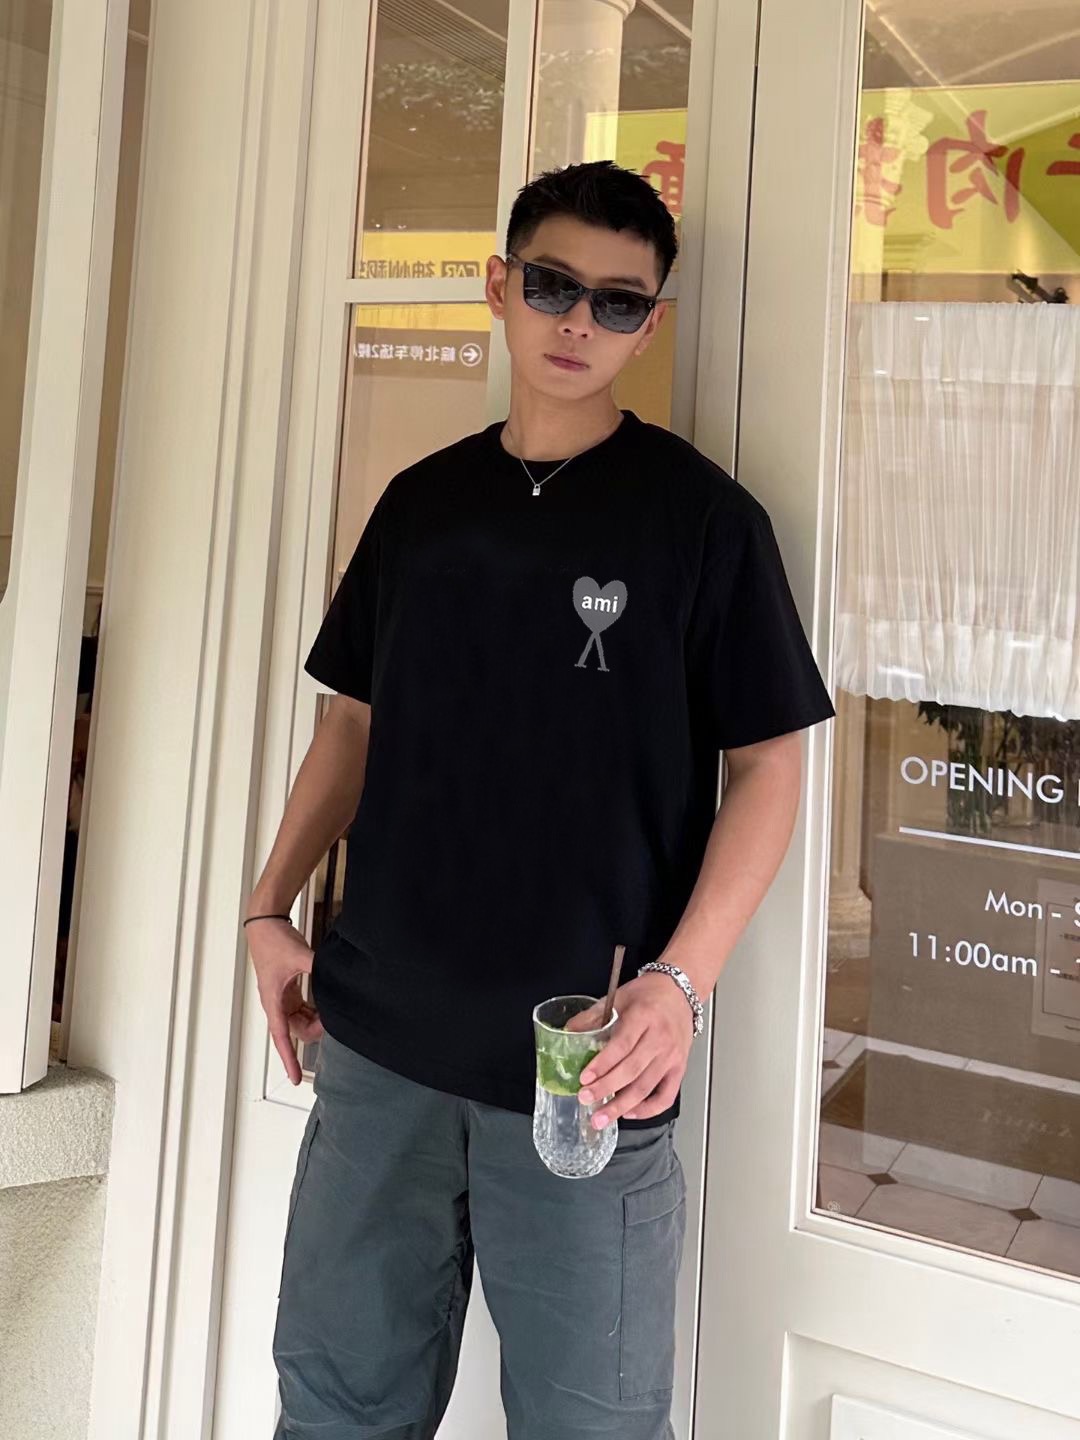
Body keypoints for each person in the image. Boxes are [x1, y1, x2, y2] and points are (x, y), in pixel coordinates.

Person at [246, 158, 835, 1439]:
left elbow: (771, 765)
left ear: (650, 324)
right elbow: (351, 721)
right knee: (333, 1408)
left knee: (591, 1428)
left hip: (585, 1063)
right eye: (554, 286)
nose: (579, 322)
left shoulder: (701, 524)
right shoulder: (422, 507)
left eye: (618, 302)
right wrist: (266, 907)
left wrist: (680, 986)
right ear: (499, 286)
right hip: (380, 1045)